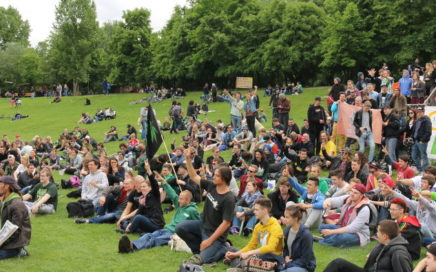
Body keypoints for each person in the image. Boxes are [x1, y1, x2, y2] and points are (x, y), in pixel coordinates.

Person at [176, 148, 235, 265]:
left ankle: (224, 248)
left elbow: (226, 224)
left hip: (216, 235)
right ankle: (199, 251)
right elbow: (193, 176)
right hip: (202, 225)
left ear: (224, 179)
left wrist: (209, 241)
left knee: (205, 261)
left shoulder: (229, 198)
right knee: (180, 228)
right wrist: (187, 159)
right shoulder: (212, 185)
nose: (213, 177)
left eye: (217, 176)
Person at [117, 171, 200, 253]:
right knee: (148, 235)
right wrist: (163, 181)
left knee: (155, 240)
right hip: (166, 229)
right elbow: (172, 193)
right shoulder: (179, 205)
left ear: (188, 200)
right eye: (179, 198)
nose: (178, 200)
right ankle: (131, 245)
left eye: (181, 199)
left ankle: (133, 249)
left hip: (174, 234)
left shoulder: (192, 210)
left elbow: (198, 225)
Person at [322, 220, 412, 272]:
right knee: (338, 263)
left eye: (378, 231)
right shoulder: (384, 243)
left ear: (385, 236)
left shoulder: (399, 253)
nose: (376, 234)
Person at [224, 198, 284, 272]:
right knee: (231, 249)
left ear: (265, 211)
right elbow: (251, 246)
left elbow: (271, 247)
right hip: (261, 256)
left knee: (248, 258)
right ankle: (242, 265)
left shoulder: (275, 226)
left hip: (272, 258)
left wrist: (249, 253)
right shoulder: (258, 226)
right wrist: (235, 254)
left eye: (256, 210)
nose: (254, 212)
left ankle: (240, 265)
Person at [0, 176, 31, 259]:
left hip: (15, 242)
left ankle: (20, 251)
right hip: (6, 238)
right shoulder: (5, 200)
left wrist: (2, 242)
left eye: (0, 183)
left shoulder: (17, 204)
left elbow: (15, 230)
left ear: (7, 186)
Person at [281, 205, 316, 272]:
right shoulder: (287, 230)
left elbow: (305, 259)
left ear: (296, 218)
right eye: (285, 217)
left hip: (303, 266)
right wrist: (286, 257)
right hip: (289, 262)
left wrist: (288, 264)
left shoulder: (306, 234)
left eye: (287, 217)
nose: (284, 219)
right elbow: (285, 249)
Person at [412, 106, 432, 173]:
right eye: (417, 112)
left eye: (420, 112)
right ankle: (420, 169)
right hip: (416, 140)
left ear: (423, 112)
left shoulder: (426, 120)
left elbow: (428, 132)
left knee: (423, 156)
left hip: (422, 141)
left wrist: (422, 140)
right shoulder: (417, 120)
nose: (418, 113)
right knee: (414, 155)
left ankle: (424, 170)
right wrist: (413, 138)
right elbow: (415, 130)